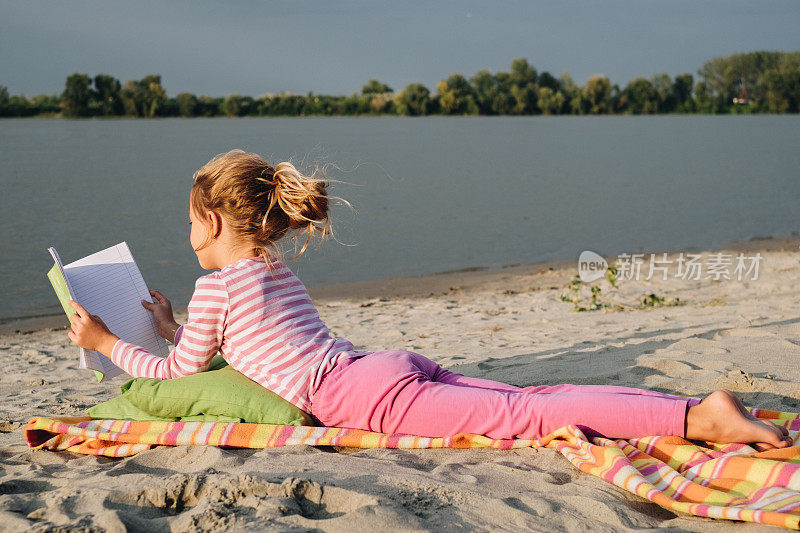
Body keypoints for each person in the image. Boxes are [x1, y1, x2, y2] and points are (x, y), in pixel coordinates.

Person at [66, 149, 792, 449]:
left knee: (531, 416)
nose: (186, 232)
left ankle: (700, 416)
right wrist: (165, 323)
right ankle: (686, 412)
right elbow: (215, 343)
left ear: (215, 222)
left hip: (364, 399)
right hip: (381, 365)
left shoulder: (215, 286)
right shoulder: (269, 272)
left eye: (190, 220)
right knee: (533, 398)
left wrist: (107, 344)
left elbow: (179, 374)